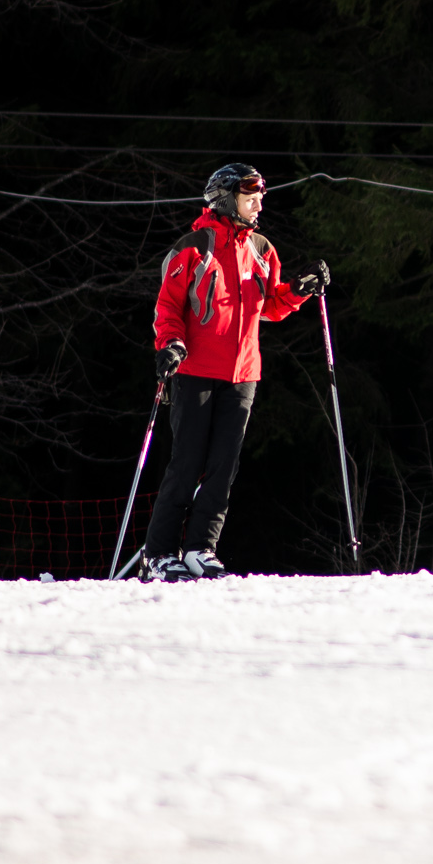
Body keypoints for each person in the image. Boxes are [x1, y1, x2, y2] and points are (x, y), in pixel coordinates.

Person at [144, 164, 328, 580]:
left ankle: (199, 549)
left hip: (244, 373)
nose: (259, 203)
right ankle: (158, 554)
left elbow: (272, 306)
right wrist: (171, 344)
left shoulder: (262, 249)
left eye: (259, 196)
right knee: (187, 463)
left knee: (224, 467)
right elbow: (168, 307)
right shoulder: (193, 247)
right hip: (196, 370)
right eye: (251, 197)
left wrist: (299, 290)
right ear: (227, 200)